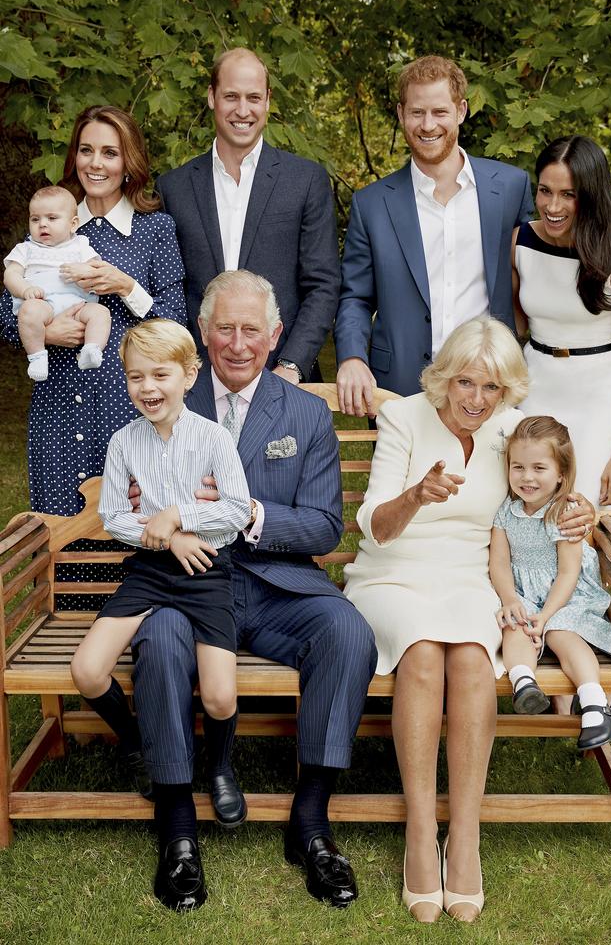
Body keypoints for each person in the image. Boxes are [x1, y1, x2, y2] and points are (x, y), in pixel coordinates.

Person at [129, 270, 377, 913]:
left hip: (275, 584)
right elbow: (135, 493)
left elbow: (324, 527)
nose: (237, 345)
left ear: (275, 336)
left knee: (347, 632)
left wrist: (248, 513)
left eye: (251, 331)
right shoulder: (169, 395)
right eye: (223, 329)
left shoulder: (305, 413)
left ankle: (312, 820)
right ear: (202, 334)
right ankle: (179, 828)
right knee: (156, 638)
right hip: (186, 582)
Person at [342, 317, 592, 924]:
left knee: (475, 659)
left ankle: (468, 835)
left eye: (492, 388)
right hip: (394, 571)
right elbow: (373, 525)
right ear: (444, 378)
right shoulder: (404, 417)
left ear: (507, 392)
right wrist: (415, 495)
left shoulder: (509, 431)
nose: (476, 399)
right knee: (424, 651)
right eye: (466, 383)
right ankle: (422, 833)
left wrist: (580, 509)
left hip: (473, 577)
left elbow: (553, 479)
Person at [70, 319, 251, 826]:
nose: (147, 388)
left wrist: (181, 516)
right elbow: (113, 517)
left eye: (160, 375)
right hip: (150, 569)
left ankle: (218, 766)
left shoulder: (214, 438)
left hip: (206, 571)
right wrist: (167, 533)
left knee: (218, 696)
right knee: (86, 669)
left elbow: (236, 510)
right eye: (135, 377)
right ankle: (137, 745)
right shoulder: (124, 443)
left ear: (190, 375)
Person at [0, 105, 187, 515]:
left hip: (129, 405)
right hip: (58, 405)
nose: (96, 163)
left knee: (133, 527)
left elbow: (175, 319)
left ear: (129, 161)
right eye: (86, 151)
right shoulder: (49, 224)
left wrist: (127, 287)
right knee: (58, 528)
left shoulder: (154, 229)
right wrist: (45, 335)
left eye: (110, 152)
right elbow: (3, 313)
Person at [335, 53, 533, 414]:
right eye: (417, 112)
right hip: (399, 386)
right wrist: (350, 356)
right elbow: (355, 298)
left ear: (461, 111)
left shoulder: (510, 188)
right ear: (400, 114)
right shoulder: (372, 204)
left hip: (491, 385)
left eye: (440, 112)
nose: (428, 125)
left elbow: (534, 275)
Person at [155, 47, 340, 382]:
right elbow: (170, 290)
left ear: (268, 100)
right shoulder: (173, 188)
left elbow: (323, 285)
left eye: (253, 97)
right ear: (212, 97)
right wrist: (186, 364)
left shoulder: (305, 181)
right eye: (231, 96)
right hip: (197, 382)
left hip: (283, 378)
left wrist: (292, 365)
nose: (243, 110)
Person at [513, 135, 611, 508]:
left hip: (598, 398)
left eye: (568, 195)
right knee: (525, 508)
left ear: (590, 195)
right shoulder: (520, 243)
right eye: (544, 191)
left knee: (581, 515)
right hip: (534, 389)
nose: (552, 206)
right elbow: (515, 328)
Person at [489, 415, 611, 750]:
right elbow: (500, 563)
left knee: (561, 634)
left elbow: (567, 573)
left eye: (539, 468)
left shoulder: (565, 511)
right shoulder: (506, 511)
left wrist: (545, 617)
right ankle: (525, 684)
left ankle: (593, 702)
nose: (526, 477)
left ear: (561, 473)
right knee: (515, 627)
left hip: (565, 596)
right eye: (517, 467)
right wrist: (509, 599)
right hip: (523, 594)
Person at [3, 186, 110, 381]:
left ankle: (92, 349)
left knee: (101, 313)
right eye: (35, 219)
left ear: (73, 224)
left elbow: (98, 269)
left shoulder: (81, 246)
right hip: (42, 303)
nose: (42, 224)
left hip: (77, 304)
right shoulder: (25, 249)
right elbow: (11, 275)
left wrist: (86, 270)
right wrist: (25, 289)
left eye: (52, 218)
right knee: (29, 312)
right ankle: (37, 356)